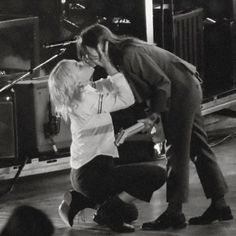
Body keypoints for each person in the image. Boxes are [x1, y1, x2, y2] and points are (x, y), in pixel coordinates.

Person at [77, 23, 233, 230]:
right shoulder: (120, 56)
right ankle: (219, 205)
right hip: (184, 88)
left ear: (101, 44)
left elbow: (162, 84)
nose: (87, 59)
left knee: (176, 151)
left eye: (88, 53)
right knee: (198, 148)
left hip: (180, 92)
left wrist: (153, 116)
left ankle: (174, 213)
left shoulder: (130, 54)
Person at [48, 56, 166, 233]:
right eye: (79, 66)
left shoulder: (85, 90)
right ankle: (103, 209)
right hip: (92, 175)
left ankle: (81, 200)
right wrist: (109, 65)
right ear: (75, 81)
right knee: (157, 175)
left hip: (88, 173)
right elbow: (126, 99)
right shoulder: (84, 99)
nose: (84, 64)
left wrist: (103, 64)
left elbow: (109, 83)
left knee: (130, 213)